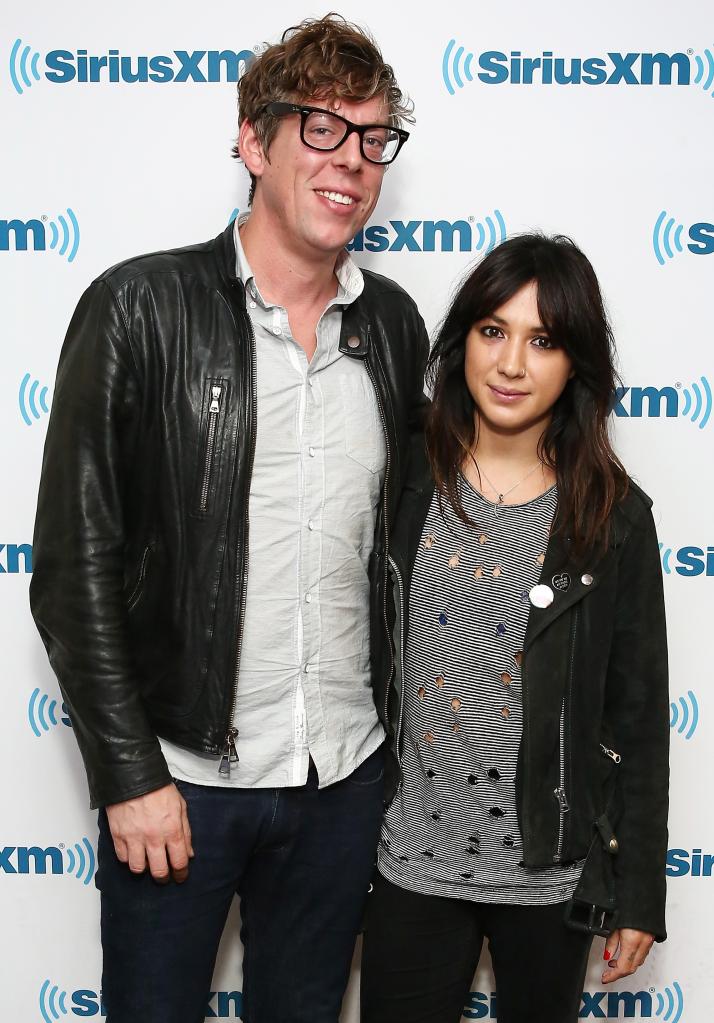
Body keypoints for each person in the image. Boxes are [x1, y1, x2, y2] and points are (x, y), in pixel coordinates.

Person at [29, 15, 427, 1023]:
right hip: (182, 785)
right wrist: (128, 775)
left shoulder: (392, 326)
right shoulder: (138, 308)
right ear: (252, 141)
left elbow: (403, 549)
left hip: (343, 783)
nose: (353, 163)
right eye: (322, 131)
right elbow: (74, 568)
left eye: (373, 137)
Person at [360, 235, 669, 1023]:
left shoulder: (614, 519)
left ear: (577, 365)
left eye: (544, 341)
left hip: (549, 875)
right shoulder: (403, 476)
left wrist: (637, 892)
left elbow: (637, 719)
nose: (512, 364)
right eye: (494, 331)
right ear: (463, 337)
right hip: (410, 865)